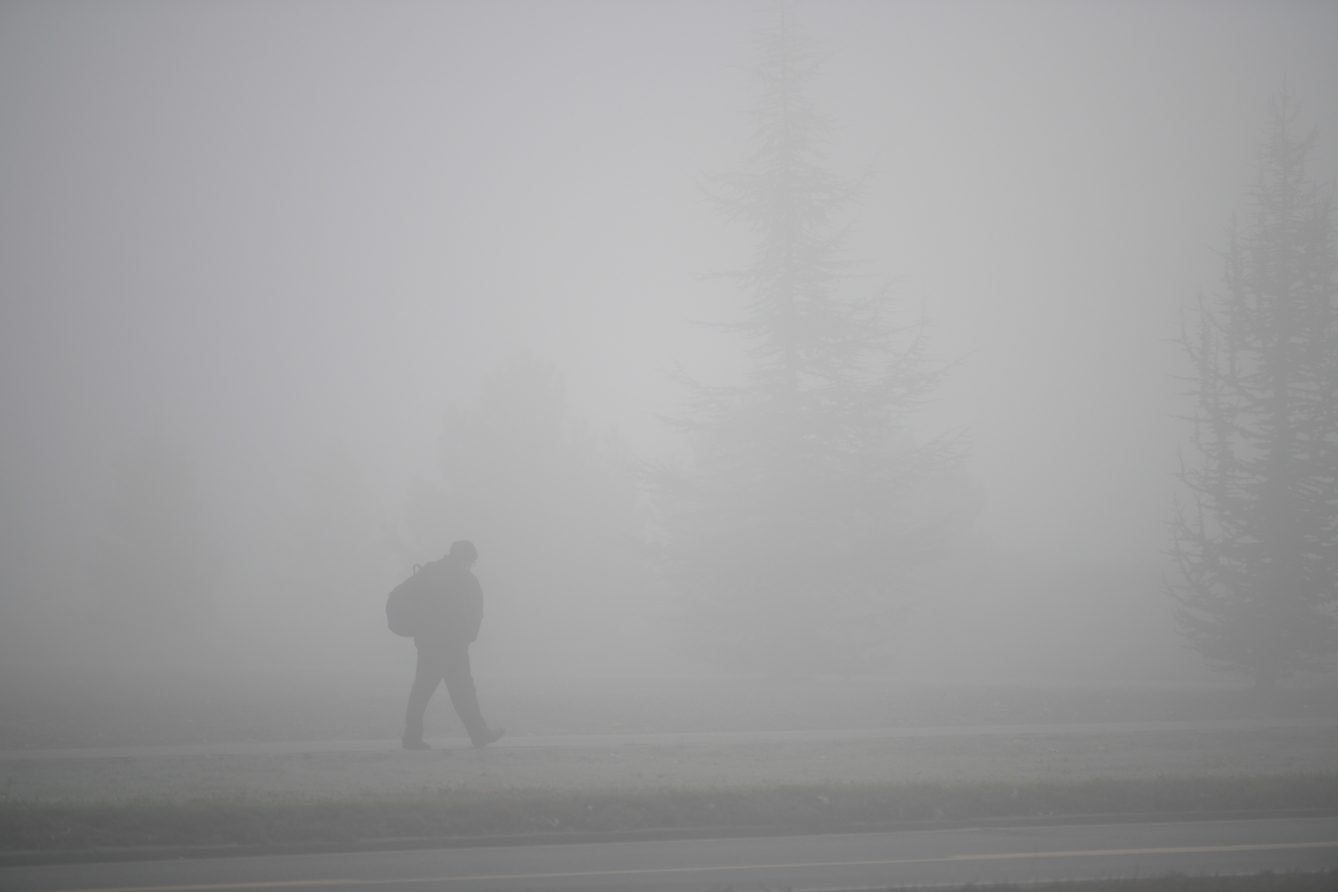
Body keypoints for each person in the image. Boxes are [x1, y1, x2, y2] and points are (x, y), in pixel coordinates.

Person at [402, 540, 503, 749]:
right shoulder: (466, 578)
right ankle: (480, 734)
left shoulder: (429, 570)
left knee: (421, 690)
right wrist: (469, 636)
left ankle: (411, 737)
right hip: (453, 645)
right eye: (472, 562)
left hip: (427, 642)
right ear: (467, 558)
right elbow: (476, 612)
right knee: (463, 691)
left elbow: (412, 600)